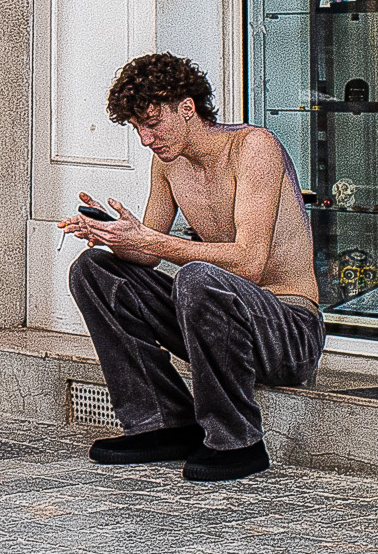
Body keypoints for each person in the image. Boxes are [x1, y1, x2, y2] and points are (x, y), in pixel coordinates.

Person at [60, 53, 324, 483]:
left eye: (152, 122)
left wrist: (155, 242)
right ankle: (161, 423)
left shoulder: (253, 148)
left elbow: (250, 262)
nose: (146, 139)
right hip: (216, 320)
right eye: (137, 127)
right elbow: (147, 254)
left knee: (197, 276)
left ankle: (237, 441)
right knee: (94, 270)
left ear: (187, 107)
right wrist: (114, 235)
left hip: (289, 328)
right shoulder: (167, 163)